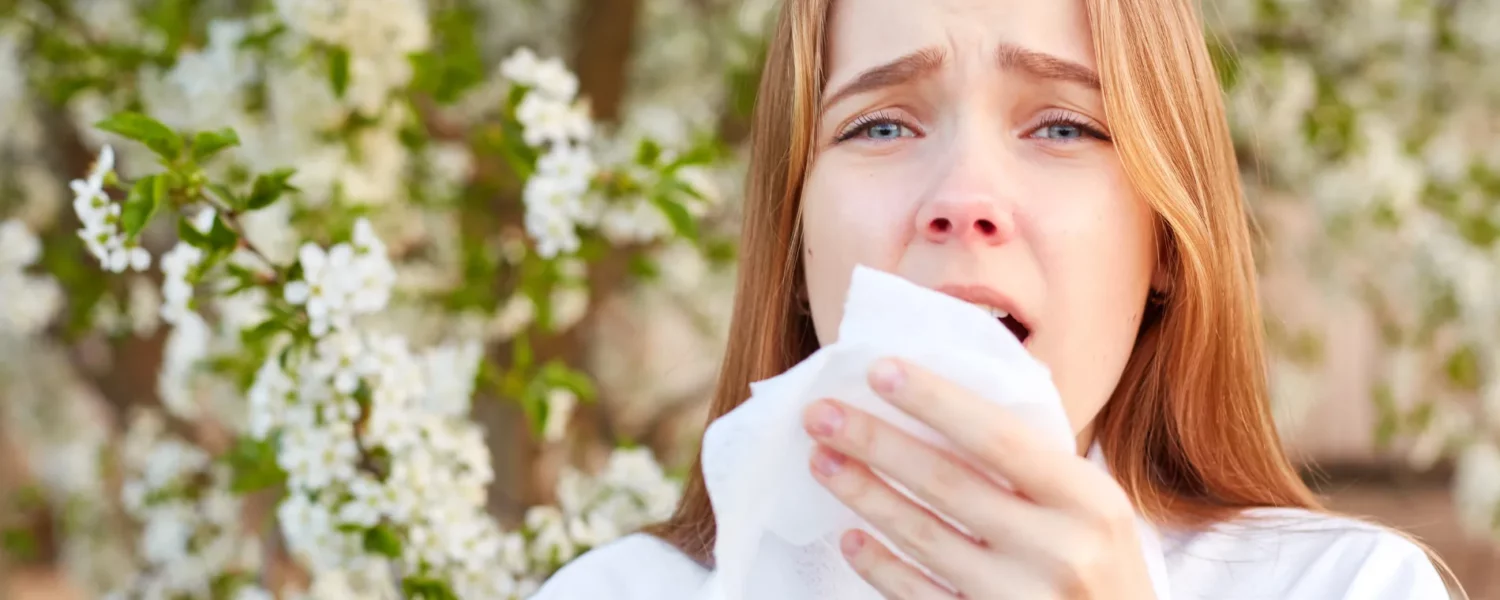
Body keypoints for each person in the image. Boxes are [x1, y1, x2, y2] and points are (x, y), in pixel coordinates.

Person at [533, 0, 1459, 598]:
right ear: (793, 238)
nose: (963, 202)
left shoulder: (1346, 587)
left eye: (1064, 125)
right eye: (881, 123)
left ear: (1166, 244)